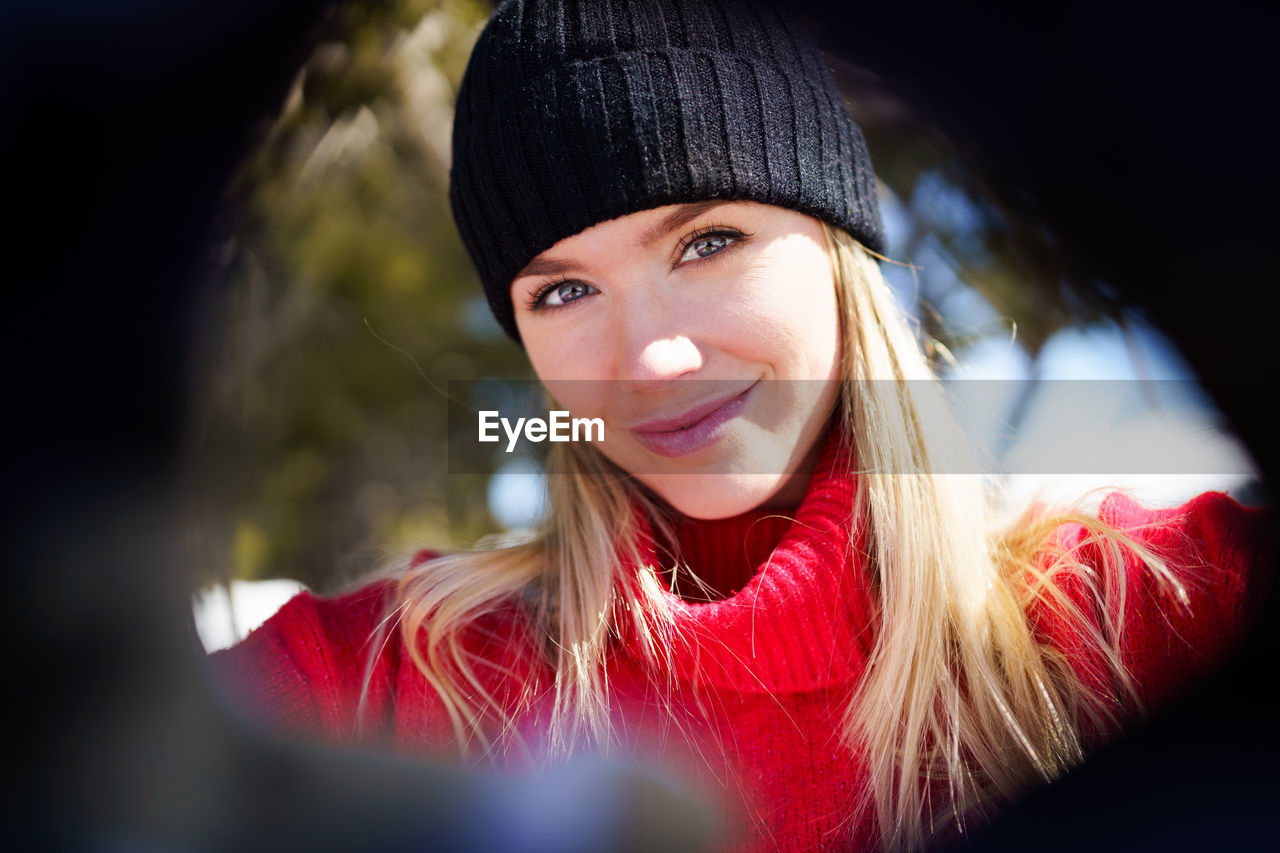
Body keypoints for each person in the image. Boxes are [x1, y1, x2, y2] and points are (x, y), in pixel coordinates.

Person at [212, 1, 1268, 850]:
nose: (651, 361)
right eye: (563, 293)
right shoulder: (399, 678)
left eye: (707, 241)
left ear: (835, 242)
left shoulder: (1138, 619)